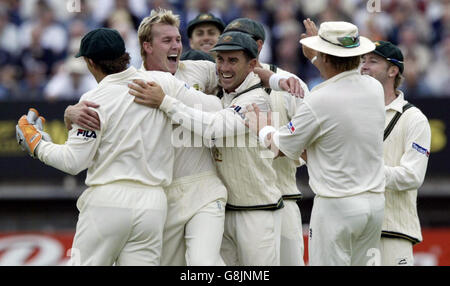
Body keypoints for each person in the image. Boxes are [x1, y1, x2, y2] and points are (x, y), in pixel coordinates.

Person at [16, 27, 221, 266]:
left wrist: (37, 144)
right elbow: (214, 109)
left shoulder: (93, 100)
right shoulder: (161, 82)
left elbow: (73, 162)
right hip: (153, 206)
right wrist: (167, 102)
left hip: (108, 201)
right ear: (124, 54)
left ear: (90, 62)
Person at [65, 8, 227, 266]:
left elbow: (242, 71)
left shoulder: (198, 69)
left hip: (203, 188)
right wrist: (70, 112)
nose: (176, 46)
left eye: (177, 40)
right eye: (167, 40)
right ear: (147, 46)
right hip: (161, 198)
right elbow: (99, 120)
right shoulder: (134, 84)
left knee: (203, 265)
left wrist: (273, 78)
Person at [129, 31, 300, 266]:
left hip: (258, 209)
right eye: (220, 59)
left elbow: (213, 127)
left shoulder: (257, 98)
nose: (224, 68)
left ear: (251, 64)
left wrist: (164, 102)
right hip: (226, 208)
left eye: (232, 60)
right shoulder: (221, 88)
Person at [245, 20, 386, 266]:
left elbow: (280, 147)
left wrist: (261, 127)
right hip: (374, 205)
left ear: (327, 57)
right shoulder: (374, 87)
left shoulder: (319, 99)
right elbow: (341, 77)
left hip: (337, 208)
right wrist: (318, 55)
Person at [224, 17, 308, 266]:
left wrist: (281, 148)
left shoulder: (291, 83)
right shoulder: (221, 83)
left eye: (242, 38)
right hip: (232, 205)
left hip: (283, 197)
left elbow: (311, 146)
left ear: (259, 45)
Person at [361, 41, 431, 266]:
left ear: (393, 71)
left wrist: (366, 171)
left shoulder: (414, 118)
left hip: (393, 231)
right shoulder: (354, 111)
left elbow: (412, 176)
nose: (364, 66)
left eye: (373, 61)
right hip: (354, 230)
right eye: (362, 61)